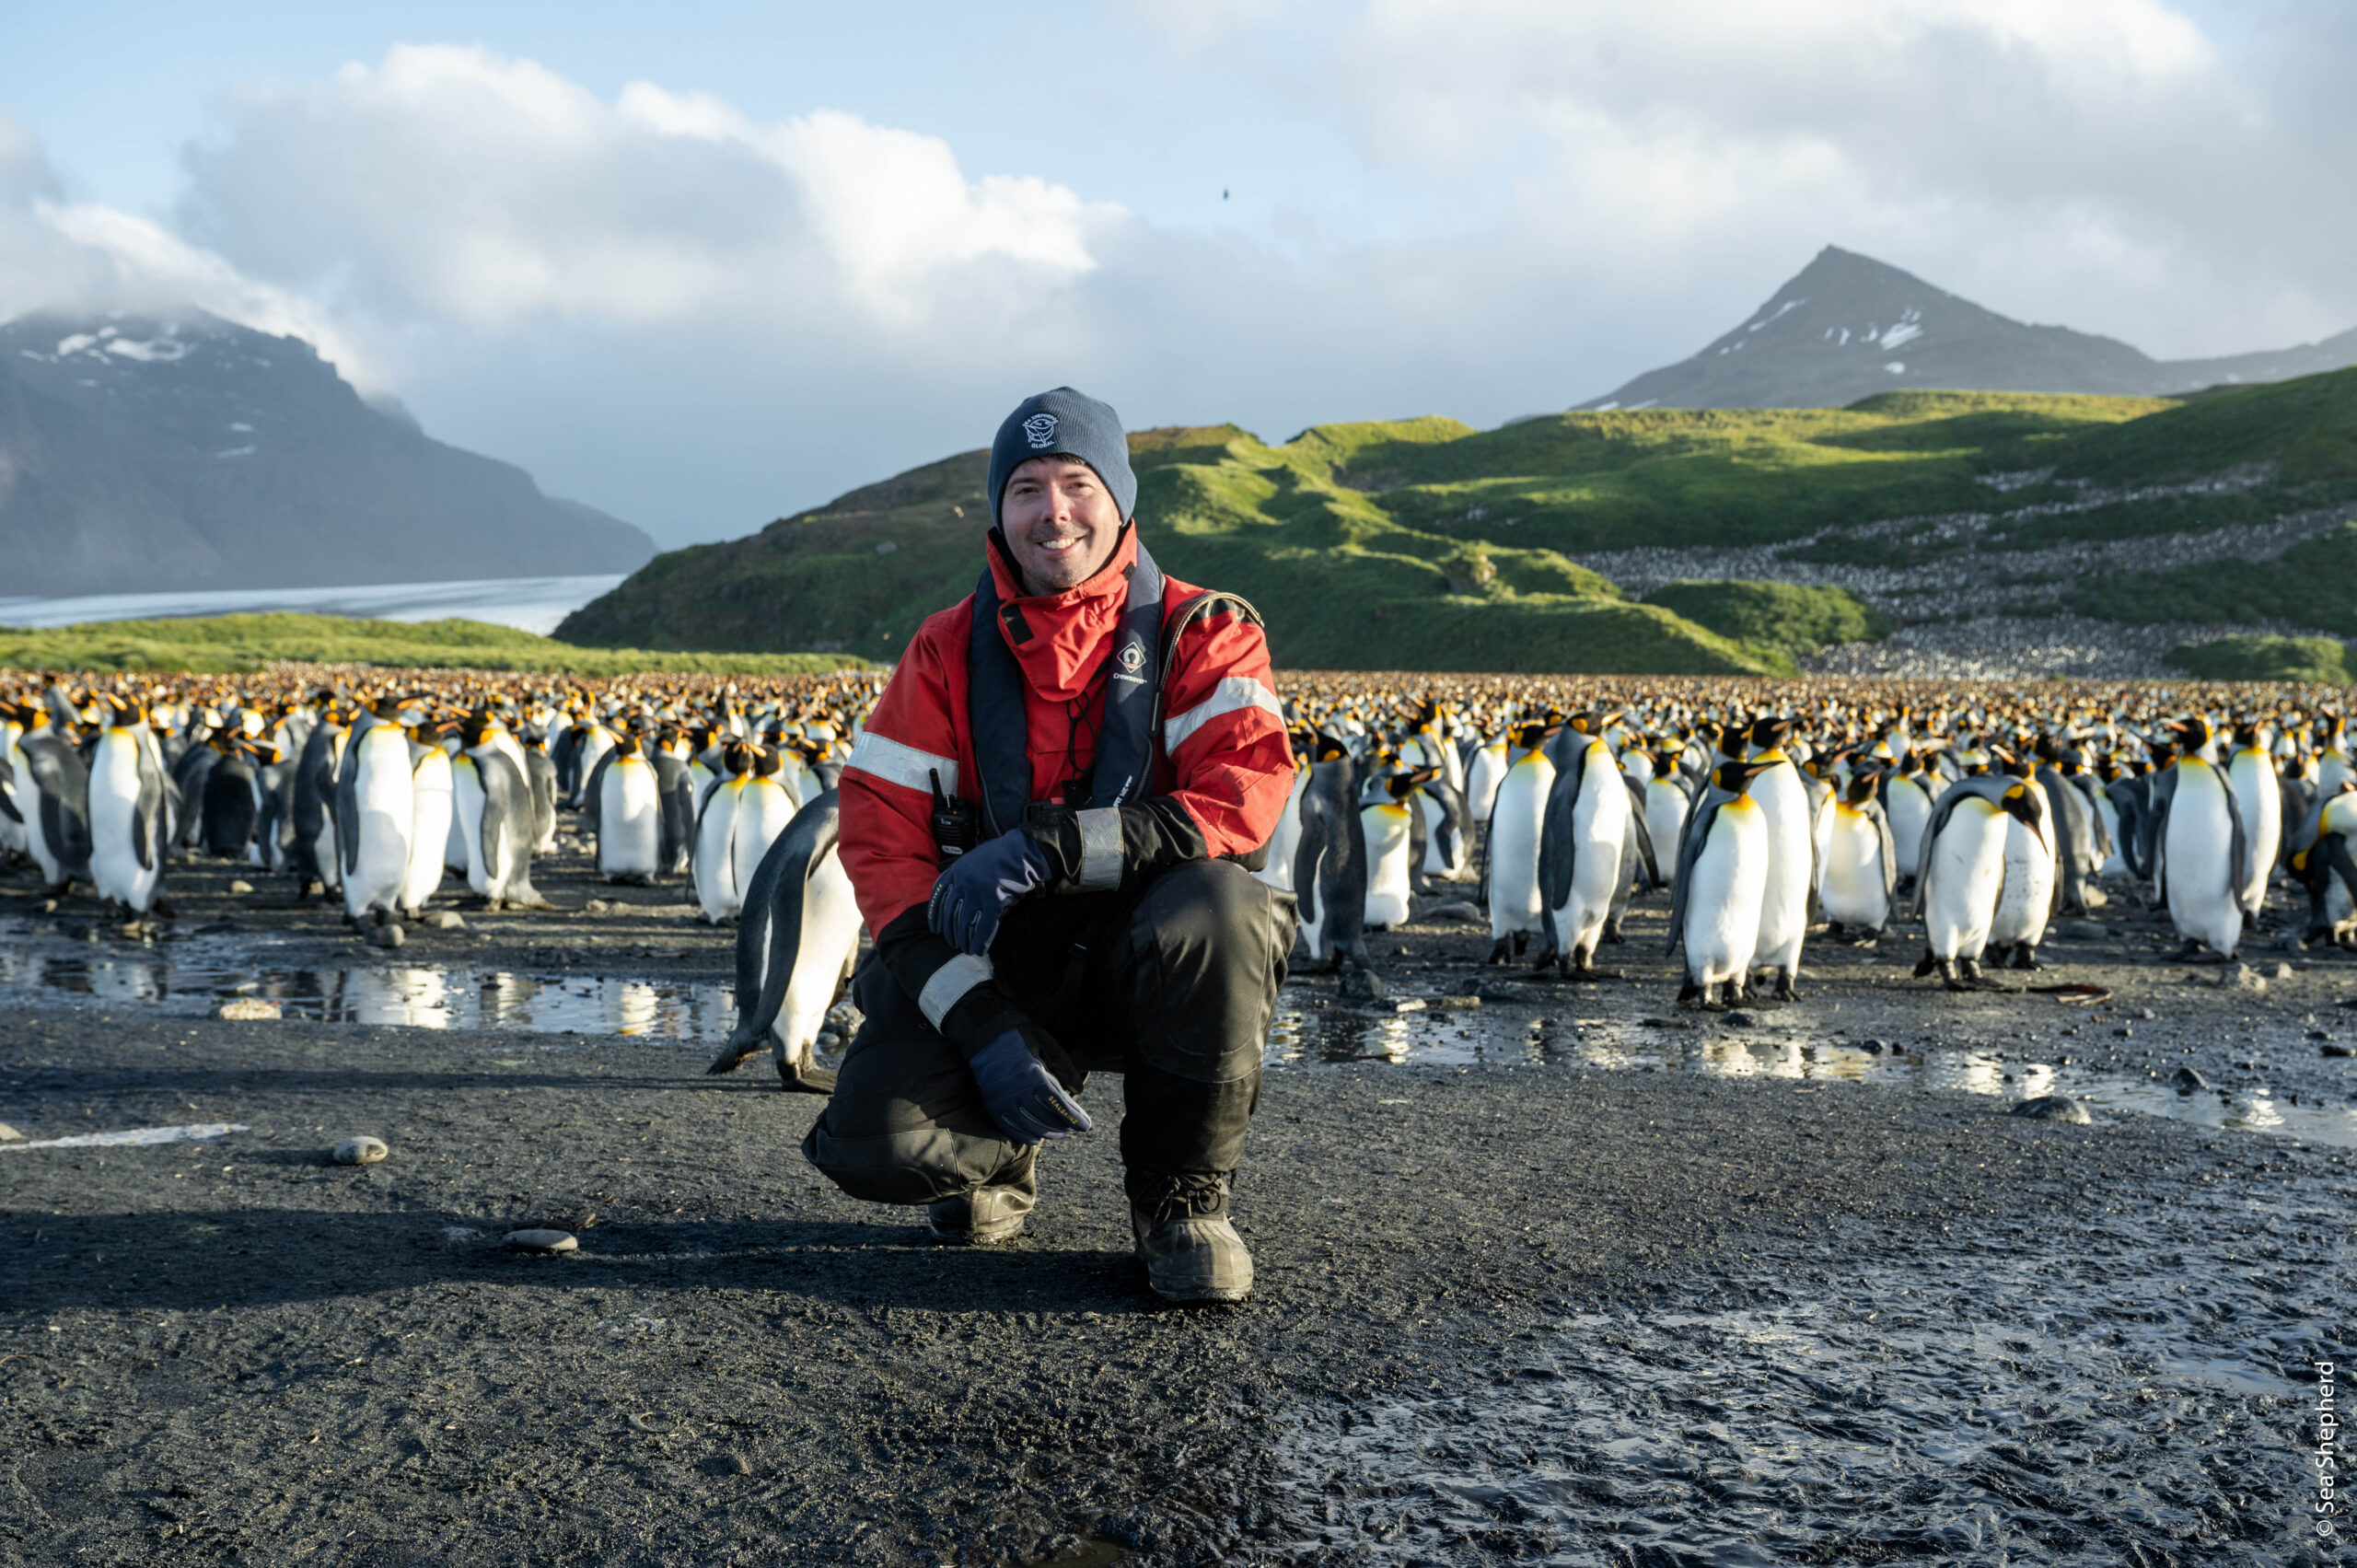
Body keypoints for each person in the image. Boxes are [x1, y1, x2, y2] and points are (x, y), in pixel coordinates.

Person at [804, 387, 1295, 1303]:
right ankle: (996, 1161)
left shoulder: (1206, 632)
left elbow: (1246, 796)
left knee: (1223, 906)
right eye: (1026, 486)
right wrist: (978, 1021)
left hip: (1149, 959)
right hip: (999, 963)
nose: (1053, 509)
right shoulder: (944, 649)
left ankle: (1180, 1200)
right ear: (998, 508)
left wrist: (1054, 848)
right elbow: (880, 842)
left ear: (1120, 500)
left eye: (1077, 482)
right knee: (878, 1144)